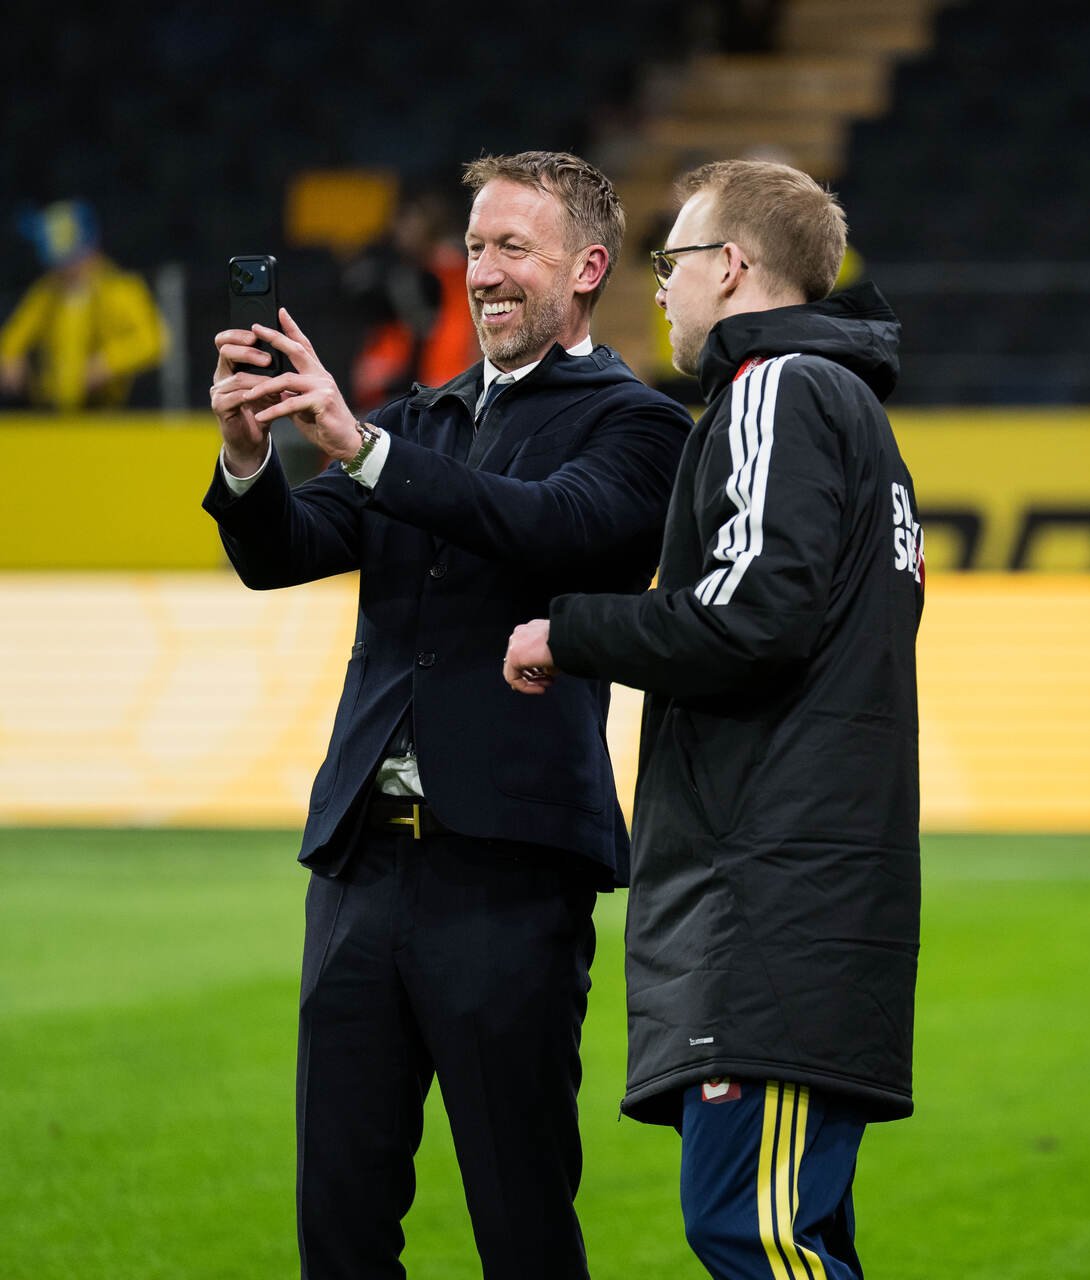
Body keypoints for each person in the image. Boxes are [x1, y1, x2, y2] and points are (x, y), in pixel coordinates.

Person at [202, 150, 691, 1279]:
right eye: (474, 246)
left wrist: (362, 449)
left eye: (513, 246)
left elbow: (547, 526)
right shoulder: (418, 420)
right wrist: (247, 456)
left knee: (519, 1221)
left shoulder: (640, 426)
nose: (483, 271)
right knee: (339, 1218)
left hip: (508, 875)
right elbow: (286, 552)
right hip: (361, 870)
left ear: (588, 269)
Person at [502, 159, 921, 1279]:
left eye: (673, 264)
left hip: (770, 907)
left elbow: (752, 615)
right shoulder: (847, 411)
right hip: (801, 901)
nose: (662, 290)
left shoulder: (779, 388)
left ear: (731, 267)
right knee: (779, 1228)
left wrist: (570, 631)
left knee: (756, 1233)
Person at [0, 199, 167, 410]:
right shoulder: (48, 293)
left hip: (111, 409)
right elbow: (15, 335)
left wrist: (107, 363)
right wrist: (10, 356)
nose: (63, 270)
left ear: (89, 250)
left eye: (69, 260)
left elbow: (153, 341)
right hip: (52, 407)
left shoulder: (120, 289)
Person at [343, 187, 480, 412]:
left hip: (450, 375)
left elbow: (465, 325)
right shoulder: (410, 272)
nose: (400, 230)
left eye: (407, 220)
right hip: (431, 376)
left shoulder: (453, 265)